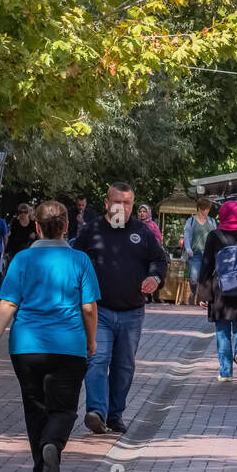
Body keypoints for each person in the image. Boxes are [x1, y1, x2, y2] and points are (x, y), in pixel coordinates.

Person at [0, 201, 100, 472]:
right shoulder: (79, 260)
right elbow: (88, 308)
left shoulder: (22, 260)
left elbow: (8, 302)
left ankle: (40, 468)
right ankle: (52, 444)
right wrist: (91, 340)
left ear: (36, 227)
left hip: (26, 346)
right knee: (63, 408)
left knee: (34, 405)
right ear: (66, 227)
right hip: (68, 344)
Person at [74, 182, 168, 434]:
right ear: (107, 203)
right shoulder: (90, 231)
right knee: (96, 359)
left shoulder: (142, 232)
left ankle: (114, 415)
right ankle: (96, 412)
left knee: (124, 366)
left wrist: (155, 277)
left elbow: (159, 259)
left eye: (127, 203)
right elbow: (74, 261)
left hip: (132, 312)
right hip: (99, 311)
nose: (123, 208)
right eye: (118, 202)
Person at [198, 200, 237, 382]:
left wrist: (203, 294)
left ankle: (225, 371)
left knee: (222, 331)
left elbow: (206, 266)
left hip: (220, 291)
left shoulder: (214, 236)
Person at [182, 198, 215, 305]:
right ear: (200, 209)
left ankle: (202, 298)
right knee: (194, 277)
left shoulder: (212, 221)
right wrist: (188, 249)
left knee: (207, 277)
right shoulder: (191, 221)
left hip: (208, 254)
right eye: (206, 209)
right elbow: (187, 237)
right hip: (195, 253)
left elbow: (215, 236)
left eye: (208, 209)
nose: (207, 211)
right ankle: (193, 291)